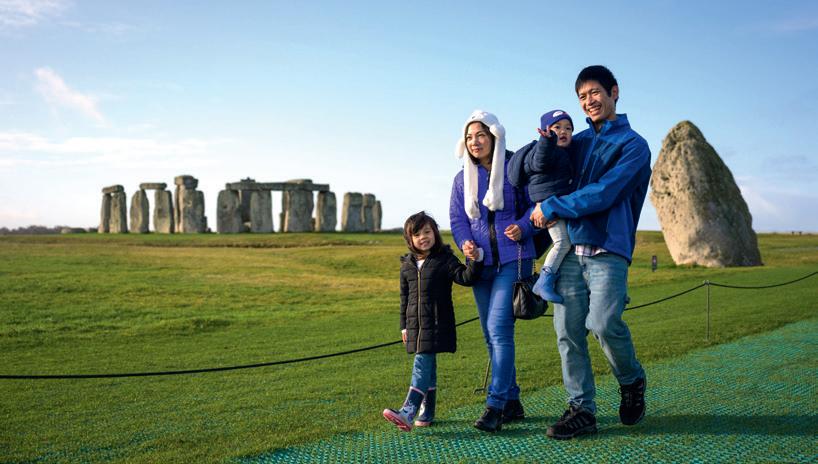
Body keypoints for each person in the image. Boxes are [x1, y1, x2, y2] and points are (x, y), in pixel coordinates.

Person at [530, 65, 651, 439]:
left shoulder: (634, 146)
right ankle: (581, 409)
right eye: (582, 96)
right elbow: (542, 172)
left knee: (602, 324)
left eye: (595, 92)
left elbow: (605, 193)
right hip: (567, 250)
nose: (589, 101)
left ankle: (631, 379)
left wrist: (552, 205)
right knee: (567, 331)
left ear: (614, 92)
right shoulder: (576, 141)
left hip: (607, 249)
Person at [450, 110, 538, 433]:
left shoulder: (515, 167)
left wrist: (524, 225)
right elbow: (458, 219)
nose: (474, 142)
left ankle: (495, 406)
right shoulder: (462, 178)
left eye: (480, 135)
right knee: (490, 333)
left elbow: (534, 204)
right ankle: (512, 401)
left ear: (494, 136)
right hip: (481, 264)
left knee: (499, 330)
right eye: (469, 137)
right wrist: (465, 244)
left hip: (514, 259)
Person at [382, 211, 483, 432]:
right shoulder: (407, 265)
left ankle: (408, 411)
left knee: (422, 362)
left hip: (438, 322)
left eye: (427, 232)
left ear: (435, 233)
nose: (423, 237)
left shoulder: (445, 259)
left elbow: (466, 277)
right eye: (417, 234)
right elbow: (404, 298)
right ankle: (427, 413)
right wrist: (403, 326)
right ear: (410, 239)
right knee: (428, 366)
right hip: (415, 326)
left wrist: (475, 259)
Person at [508, 109, 575, 303]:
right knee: (562, 242)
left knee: (564, 241)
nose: (563, 131)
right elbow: (540, 161)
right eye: (557, 127)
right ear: (546, 130)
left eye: (568, 128)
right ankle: (544, 281)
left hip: (553, 203)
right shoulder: (545, 149)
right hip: (547, 204)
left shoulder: (562, 152)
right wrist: (547, 141)